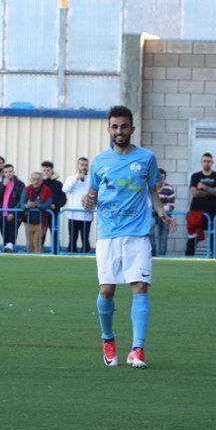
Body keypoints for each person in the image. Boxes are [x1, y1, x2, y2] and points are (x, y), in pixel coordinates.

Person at [83, 105, 176, 369]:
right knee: (107, 290)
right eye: (115, 126)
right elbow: (91, 195)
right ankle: (108, 339)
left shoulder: (147, 158)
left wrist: (162, 213)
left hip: (137, 233)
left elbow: (153, 193)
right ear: (109, 129)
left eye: (124, 126)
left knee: (140, 287)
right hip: (108, 234)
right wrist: (87, 201)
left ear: (132, 128)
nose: (119, 131)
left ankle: (137, 349)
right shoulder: (100, 161)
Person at [186, 153, 216, 256]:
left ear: (212, 162)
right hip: (196, 212)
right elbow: (194, 193)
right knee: (193, 238)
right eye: (204, 161)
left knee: (214, 238)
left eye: (209, 161)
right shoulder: (195, 176)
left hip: (213, 212)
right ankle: (188, 259)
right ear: (201, 162)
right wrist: (212, 191)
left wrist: (203, 187)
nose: (207, 163)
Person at [63, 157, 93, 253]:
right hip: (73, 215)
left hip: (86, 214)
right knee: (72, 239)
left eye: (86, 165)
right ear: (78, 166)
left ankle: (86, 257)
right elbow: (65, 189)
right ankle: (71, 257)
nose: (84, 167)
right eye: (82, 165)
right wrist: (76, 179)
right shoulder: (71, 178)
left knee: (85, 239)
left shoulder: (92, 179)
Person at [0, 164, 25, 252]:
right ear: (3, 173)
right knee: (5, 238)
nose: (8, 174)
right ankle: (8, 253)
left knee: (11, 237)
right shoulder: (1, 183)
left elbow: (21, 200)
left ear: (13, 172)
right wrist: (3, 186)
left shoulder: (20, 184)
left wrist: (13, 213)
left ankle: (11, 249)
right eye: (6, 172)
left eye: (10, 171)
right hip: (1, 215)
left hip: (14, 214)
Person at [40, 161, 66, 253]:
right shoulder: (40, 183)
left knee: (55, 232)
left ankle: (56, 251)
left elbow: (63, 199)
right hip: (42, 213)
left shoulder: (58, 184)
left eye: (48, 170)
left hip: (54, 213)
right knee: (41, 233)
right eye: (44, 170)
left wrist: (56, 205)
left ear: (52, 171)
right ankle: (39, 251)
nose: (46, 172)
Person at [24, 171, 53, 254]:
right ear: (30, 180)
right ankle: (29, 261)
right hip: (28, 220)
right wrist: (26, 205)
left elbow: (48, 203)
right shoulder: (27, 189)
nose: (36, 181)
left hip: (41, 221)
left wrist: (38, 205)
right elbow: (21, 203)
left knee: (37, 242)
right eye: (34, 179)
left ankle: (38, 260)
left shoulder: (47, 190)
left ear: (41, 180)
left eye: (38, 179)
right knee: (29, 243)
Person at [150, 168, 176, 257]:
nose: (160, 179)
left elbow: (171, 206)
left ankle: (162, 255)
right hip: (152, 215)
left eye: (162, 177)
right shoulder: (150, 188)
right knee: (150, 226)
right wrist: (159, 209)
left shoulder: (169, 188)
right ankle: (152, 252)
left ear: (165, 178)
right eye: (157, 177)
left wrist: (159, 210)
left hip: (165, 215)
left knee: (163, 236)